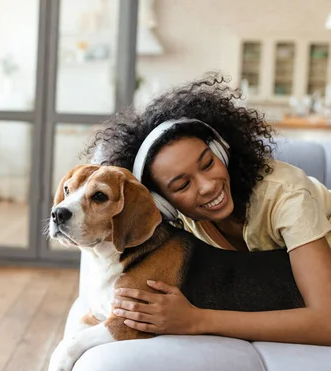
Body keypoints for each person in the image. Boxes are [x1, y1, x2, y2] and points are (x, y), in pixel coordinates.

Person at [89, 74, 331, 346]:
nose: (206, 186)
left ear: (222, 151)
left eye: (207, 164)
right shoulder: (179, 223)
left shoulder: (288, 195)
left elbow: (326, 323)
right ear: (163, 204)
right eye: (182, 185)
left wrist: (197, 320)